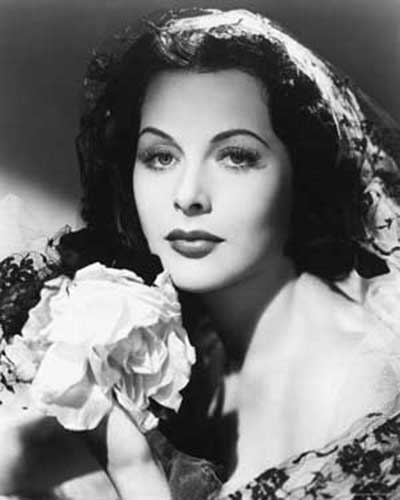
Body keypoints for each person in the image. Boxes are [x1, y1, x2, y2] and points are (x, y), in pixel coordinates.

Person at [1, 7, 400, 500]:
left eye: (236, 156)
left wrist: (132, 468)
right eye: (160, 157)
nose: (188, 195)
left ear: (303, 172)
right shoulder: (145, 333)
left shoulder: (364, 383)